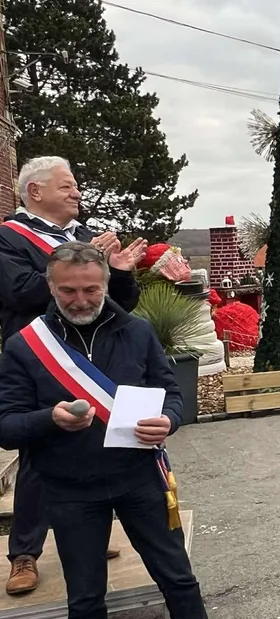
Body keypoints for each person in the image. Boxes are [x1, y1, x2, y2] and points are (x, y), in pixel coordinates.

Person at [0, 242, 205, 618]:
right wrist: (50, 419)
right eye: (68, 291)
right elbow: (6, 427)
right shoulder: (24, 346)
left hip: (140, 479)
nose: (80, 300)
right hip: (69, 491)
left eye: (91, 290)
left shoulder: (138, 332)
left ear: (107, 284)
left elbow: (171, 393)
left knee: (180, 581)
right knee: (86, 599)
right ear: (51, 287)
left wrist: (170, 420)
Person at [0, 157, 147, 595]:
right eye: (67, 186)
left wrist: (117, 271)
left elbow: (122, 304)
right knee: (38, 455)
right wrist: (82, 262)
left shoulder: (83, 237)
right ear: (35, 192)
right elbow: (20, 291)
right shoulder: (8, 237)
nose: (77, 192)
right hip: (40, 355)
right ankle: (24, 552)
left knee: (96, 441)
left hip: (93, 355)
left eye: (76, 185)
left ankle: (89, 530)